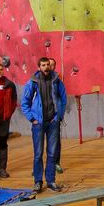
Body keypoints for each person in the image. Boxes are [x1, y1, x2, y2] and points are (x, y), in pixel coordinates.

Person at [20, 56, 67, 193]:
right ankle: (38, 181)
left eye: (48, 65)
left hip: (53, 122)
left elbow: (63, 100)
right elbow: (25, 103)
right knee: (38, 154)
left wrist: (58, 117)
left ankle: (51, 181)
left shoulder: (57, 81)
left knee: (52, 154)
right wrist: (32, 118)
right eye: (43, 65)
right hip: (38, 123)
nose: (46, 67)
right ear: (39, 67)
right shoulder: (32, 82)